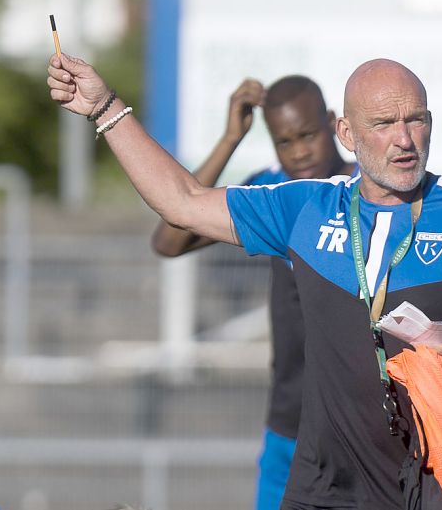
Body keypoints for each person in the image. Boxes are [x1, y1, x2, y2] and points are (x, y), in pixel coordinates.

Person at [47, 55, 442, 510]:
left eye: (415, 120)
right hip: (320, 490)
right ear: (347, 134)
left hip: (435, 489)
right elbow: (182, 202)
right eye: (383, 124)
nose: (404, 140)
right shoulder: (306, 206)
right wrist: (105, 108)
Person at [150, 75, 355, 510]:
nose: (298, 151)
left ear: (335, 124)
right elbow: (170, 241)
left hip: (354, 428)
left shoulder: (366, 193)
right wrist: (229, 140)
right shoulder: (271, 190)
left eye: (308, 135)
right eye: (284, 141)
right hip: (287, 423)